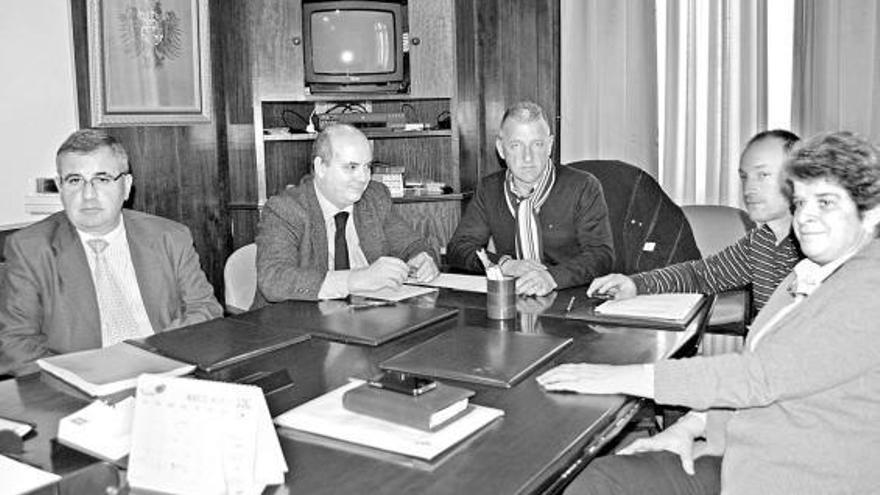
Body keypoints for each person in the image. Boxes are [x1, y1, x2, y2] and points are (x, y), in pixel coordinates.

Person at [538, 131, 880, 494]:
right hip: (748, 453)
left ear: (871, 211)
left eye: (825, 202)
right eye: (801, 202)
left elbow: (759, 376)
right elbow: (706, 278)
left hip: (798, 474)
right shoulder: (809, 268)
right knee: (592, 481)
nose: (807, 216)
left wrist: (617, 378)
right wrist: (693, 428)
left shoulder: (867, 287)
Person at [0, 129, 223, 375]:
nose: (88, 195)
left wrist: (156, 353)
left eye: (102, 179)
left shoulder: (169, 237)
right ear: (60, 187)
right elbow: (16, 343)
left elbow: (205, 309)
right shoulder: (30, 248)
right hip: (78, 387)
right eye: (75, 180)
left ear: (126, 186)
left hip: (165, 370)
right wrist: (84, 378)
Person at [588, 130, 803, 319]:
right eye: (745, 177)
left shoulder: (817, 247)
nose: (749, 188)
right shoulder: (761, 241)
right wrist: (635, 284)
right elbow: (701, 274)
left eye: (763, 175)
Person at [252, 124, 439, 304]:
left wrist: (423, 259)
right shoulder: (286, 209)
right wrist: (355, 280)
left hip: (366, 320)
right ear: (321, 167)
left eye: (367, 166)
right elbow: (273, 279)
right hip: (296, 325)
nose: (363, 177)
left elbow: (412, 245)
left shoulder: (374, 197)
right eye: (351, 167)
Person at [446, 101, 614, 296]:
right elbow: (458, 248)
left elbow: (601, 256)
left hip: (571, 298)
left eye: (537, 144)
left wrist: (552, 278)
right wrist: (505, 265)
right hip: (516, 298)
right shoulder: (489, 189)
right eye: (516, 145)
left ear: (549, 145)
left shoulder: (583, 186)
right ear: (501, 149)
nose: (528, 157)